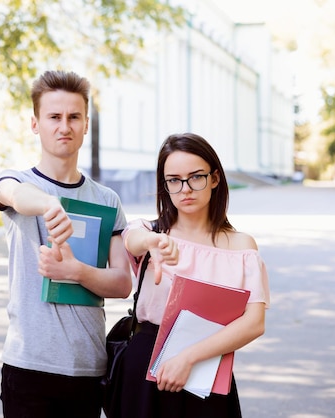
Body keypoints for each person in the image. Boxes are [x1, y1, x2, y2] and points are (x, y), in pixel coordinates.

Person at [0, 70, 132, 418]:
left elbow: (122, 283)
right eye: (54, 117)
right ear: (35, 123)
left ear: (86, 124)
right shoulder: (17, 181)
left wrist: (76, 271)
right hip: (28, 365)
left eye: (73, 117)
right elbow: (10, 194)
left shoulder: (107, 200)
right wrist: (49, 204)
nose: (63, 126)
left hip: (87, 367)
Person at [113, 133, 270, 418]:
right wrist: (151, 243)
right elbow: (131, 239)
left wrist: (188, 357)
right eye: (173, 180)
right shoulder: (150, 233)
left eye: (196, 177)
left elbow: (254, 322)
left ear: (215, 178)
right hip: (146, 367)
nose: (185, 189)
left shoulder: (241, 246)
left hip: (207, 369)